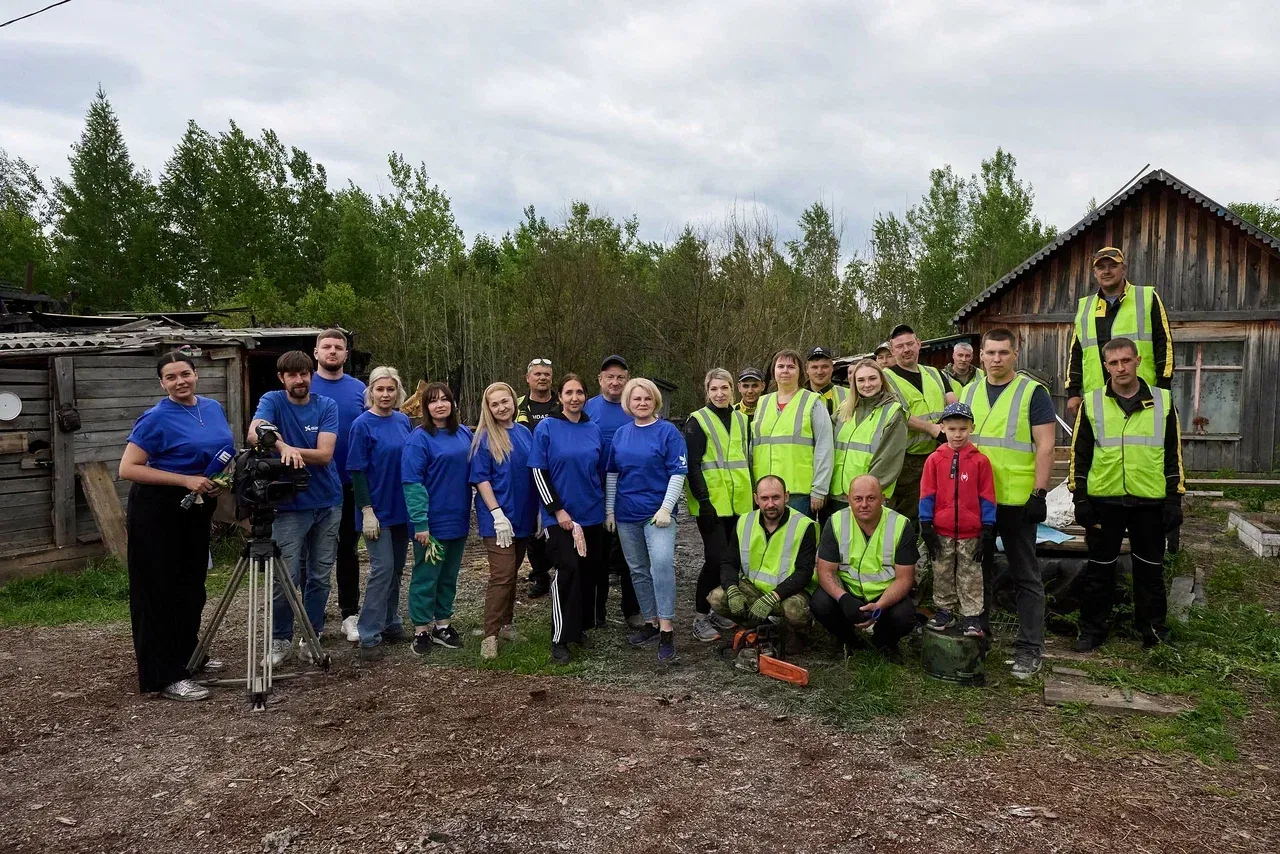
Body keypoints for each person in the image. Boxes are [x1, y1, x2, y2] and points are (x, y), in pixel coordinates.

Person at [118, 350, 235, 701]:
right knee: (160, 591)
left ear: (196, 374)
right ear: (162, 383)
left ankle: (188, 657)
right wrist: (185, 481)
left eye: (184, 373)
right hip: (158, 509)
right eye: (171, 377)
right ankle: (163, 674)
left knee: (191, 586)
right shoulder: (155, 418)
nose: (180, 381)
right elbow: (128, 468)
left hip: (197, 507)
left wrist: (219, 480)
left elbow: (220, 453)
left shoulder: (212, 407)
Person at [1069, 337, 1185, 651]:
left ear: (1137, 360)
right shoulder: (1092, 403)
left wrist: (1174, 498)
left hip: (1149, 501)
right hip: (1104, 501)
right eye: (1113, 362)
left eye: (1126, 360)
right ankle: (1093, 630)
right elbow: (1079, 455)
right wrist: (1080, 498)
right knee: (1100, 569)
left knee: (1149, 570)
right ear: (1105, 366)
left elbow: (1173, 454)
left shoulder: (1162, 401)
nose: (1120, 368)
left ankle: (1153, 631)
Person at [956, 329, 1056, 679]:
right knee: (977, 571)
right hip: (976, 500)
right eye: (990, 353)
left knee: (1025, 573)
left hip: (1016, 500)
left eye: (1003, 352)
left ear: (1015, 354)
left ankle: (1030, 647)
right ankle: (979, 636)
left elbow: (1045, 445)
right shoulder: (968, 392)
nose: (996, 359)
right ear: (980, 355)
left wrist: (1039, 494)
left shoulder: (1032, 393)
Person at [250, 350, 342, 668]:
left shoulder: (325, 406)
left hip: (327, 502)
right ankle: (280, 639)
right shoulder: (272, 400)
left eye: (304, 374)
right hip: (288, 507)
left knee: (319, 575)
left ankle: (311, 635)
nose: (299, 380)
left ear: (310, 376)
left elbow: (325, 454)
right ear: (282, 378)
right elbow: (254, 433)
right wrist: (282, 446)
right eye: (292, 375)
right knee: (285, 577)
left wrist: (289, 448)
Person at [606, 378, 688, 664]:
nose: (642, 403)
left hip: (658, 515)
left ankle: (667, 629)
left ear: (655, 401)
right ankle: (651, 623)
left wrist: (667, 508)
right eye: (636, 399)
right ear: (628, 403)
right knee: (638, 569)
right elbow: (613, 474)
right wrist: (609, 511)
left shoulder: (668, 432)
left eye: (647, 398)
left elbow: (678, 472)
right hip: (627, 514)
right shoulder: (621, 434)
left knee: (661, 564)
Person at [531, 374, 608, 664]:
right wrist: (556, 510)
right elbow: (538, 472)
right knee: (568, 570)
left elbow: (601, 472)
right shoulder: (547, 428)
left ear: (585, 396)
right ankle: (559, 638)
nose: (574, 398)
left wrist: (605, 509)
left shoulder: (593, 429)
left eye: (579, 392)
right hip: (560, 518)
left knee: (587, 574)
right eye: (568, 392)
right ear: (560, 397)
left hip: (591, 515)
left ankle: (578, 630)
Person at [400, 382, 473, 656]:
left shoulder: (463, 433)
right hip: (431, 522)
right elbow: (412, 482)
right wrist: (420, 522)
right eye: (433, 401)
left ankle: (443, 625)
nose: (440, 404)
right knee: (427, 575)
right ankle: (420, 629)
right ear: (425, 407)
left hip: (458, 517)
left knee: (449, 575)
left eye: (445, 399)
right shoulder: (419, 438)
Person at [812, 475, 919, 661]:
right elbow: (825, 571)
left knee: (905, 616)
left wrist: (879, 606)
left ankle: (883, 641)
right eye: (858, 499)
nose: (864, 505)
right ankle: (848, 639)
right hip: (848, 590)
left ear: (883, 498)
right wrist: (843, 597)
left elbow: (905, 578)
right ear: (848, 500)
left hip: (884, 595)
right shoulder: (835, 522)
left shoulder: (901, 525)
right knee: (820, 603)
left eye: (871, 498)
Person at [346, 367, 413, 661]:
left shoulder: (403, 421)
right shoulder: (362, 425)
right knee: (382, 568)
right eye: (380, 389)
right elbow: (357, 471)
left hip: (402, 508)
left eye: (390, 389)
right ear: (371, 392)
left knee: (397, 568)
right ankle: (369, 632)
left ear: (398, 392)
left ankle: (390, 622)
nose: (385, 395)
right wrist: (366, 509)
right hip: (376, 511)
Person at [471, 381, 539, 660]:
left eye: (505, 401)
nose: (501, 408)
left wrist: (538, 514)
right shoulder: (485, 438)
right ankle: (489, 635)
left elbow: (534, 475)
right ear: (488, 408)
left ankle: (506, 624)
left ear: (514, 402)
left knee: (512, 573)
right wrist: (497, 514)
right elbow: (481, 479)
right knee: (501, 574)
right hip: (498, 519)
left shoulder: (524, 433)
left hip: (523, 516)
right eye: (494, 404)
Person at [684, 369, 753, 642]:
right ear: (707, 391)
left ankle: (716, 608)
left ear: (731, 390)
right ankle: (700, 616)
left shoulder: (742, 419)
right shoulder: (697, 421)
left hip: (739, 504)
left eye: (724, 388)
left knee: (732, 560)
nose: (720, 394)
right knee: (715, 559)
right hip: (710, 504)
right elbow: (692, 465)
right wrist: (703, 501)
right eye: (714, 389)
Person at [1066, 246, 1173, 419]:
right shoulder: (1085, 307)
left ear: (1123, 269)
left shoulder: (1146, 297)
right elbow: (1076, 352)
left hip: (1144, 395)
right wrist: (1072, 392)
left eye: (1112, 266)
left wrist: (1163, 386)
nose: (1106, 271)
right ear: (1095, 273)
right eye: (1101, 267)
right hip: (1098, 397)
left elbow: (1164, 343)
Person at [919, 402, 996, 638]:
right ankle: (944, 610)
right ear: (942, 428)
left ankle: (971, 616)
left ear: (971, 428)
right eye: (952, 429)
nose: (958, 434)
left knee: (970, 572)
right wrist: (925, 523)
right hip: (941, 531)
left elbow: (987, 495)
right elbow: (927, 492)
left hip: (970, 532)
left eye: (963, 428)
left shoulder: (980, 461)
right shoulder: (934, 459)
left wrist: (988, 527)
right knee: (942, 570)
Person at [310, 329, 367, 644]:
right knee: (312, 556)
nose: (332, 351)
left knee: (347, 550)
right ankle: (312, 621)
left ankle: (349, 615)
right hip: (312, 484)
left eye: (339, 347)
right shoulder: (305, 386)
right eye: (327, 347)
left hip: (349, 483)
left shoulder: (359, 389)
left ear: (346, 354)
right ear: (316, 352)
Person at [707, 475, 816, 632]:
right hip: (753, 587)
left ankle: (798, 635)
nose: (770, 504)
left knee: (795, 611)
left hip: (787, 592)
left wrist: (774, 596)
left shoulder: (804, 526)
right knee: (717, 598)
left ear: (786, 497)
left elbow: (804, 572)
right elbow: (729, 561)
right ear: (756, 499)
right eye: (764, 498)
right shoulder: (745, 521)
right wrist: (732, 589)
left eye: (776, 497)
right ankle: (757, 626)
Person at [584, 355, 642, 628]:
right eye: (610, 377)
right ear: (600, 380)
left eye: (621, 377)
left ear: (627, 379)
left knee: (633, 557)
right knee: (599, 557)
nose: (615, 382)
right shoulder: (588, 409)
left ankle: (633, 611)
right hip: (597, 494)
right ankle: (597, 612)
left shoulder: (636, 407)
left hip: (631, 493)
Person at [882, 324, 957, 523]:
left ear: (919, 344)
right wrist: (931, 428)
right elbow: (896, 413)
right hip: (908, 458)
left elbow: (952, 401)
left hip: (940, 452)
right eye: (899, 346)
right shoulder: (885, 378)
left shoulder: (934, 373)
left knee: (941, 505)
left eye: (909, 344)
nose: (906, 349)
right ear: (892, 350)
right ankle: (908, 550)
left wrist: (953, 422)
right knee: (909, 511)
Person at [752, 348, 834, 519]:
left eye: (791, 367)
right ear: (773, 371)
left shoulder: (812, 402)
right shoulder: (762, 403)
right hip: (765, 491)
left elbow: (824, 447)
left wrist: (819, 489)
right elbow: (754, 447)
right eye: (780, 366)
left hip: (798, 492)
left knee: (797, 542)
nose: (785, 371)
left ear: (800, 372)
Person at [829, 359, 907, 514]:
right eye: (861, 380)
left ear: (881, 380)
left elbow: (888, 460)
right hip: (837, 496)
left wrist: (864, 494)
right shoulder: (844, 410)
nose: (867, 384)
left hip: (869, 500)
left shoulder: (893, 412)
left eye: (872, 378)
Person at [515, 358, 559, 600]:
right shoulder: (517, 405)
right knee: (533, 530)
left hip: (557, 475)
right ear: (528, 378)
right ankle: (540, 575)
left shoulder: (562, 403)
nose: (542, 378)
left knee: (556, 522)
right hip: (526, 476)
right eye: (537, 374)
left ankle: (561, 572)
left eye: (547, 374)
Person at [805, 346, 848, 417]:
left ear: (832, 367)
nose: (819, 372)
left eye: (824, 367)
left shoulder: (849, 396)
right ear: (807, 369)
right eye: (814, 367)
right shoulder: (796, 397)